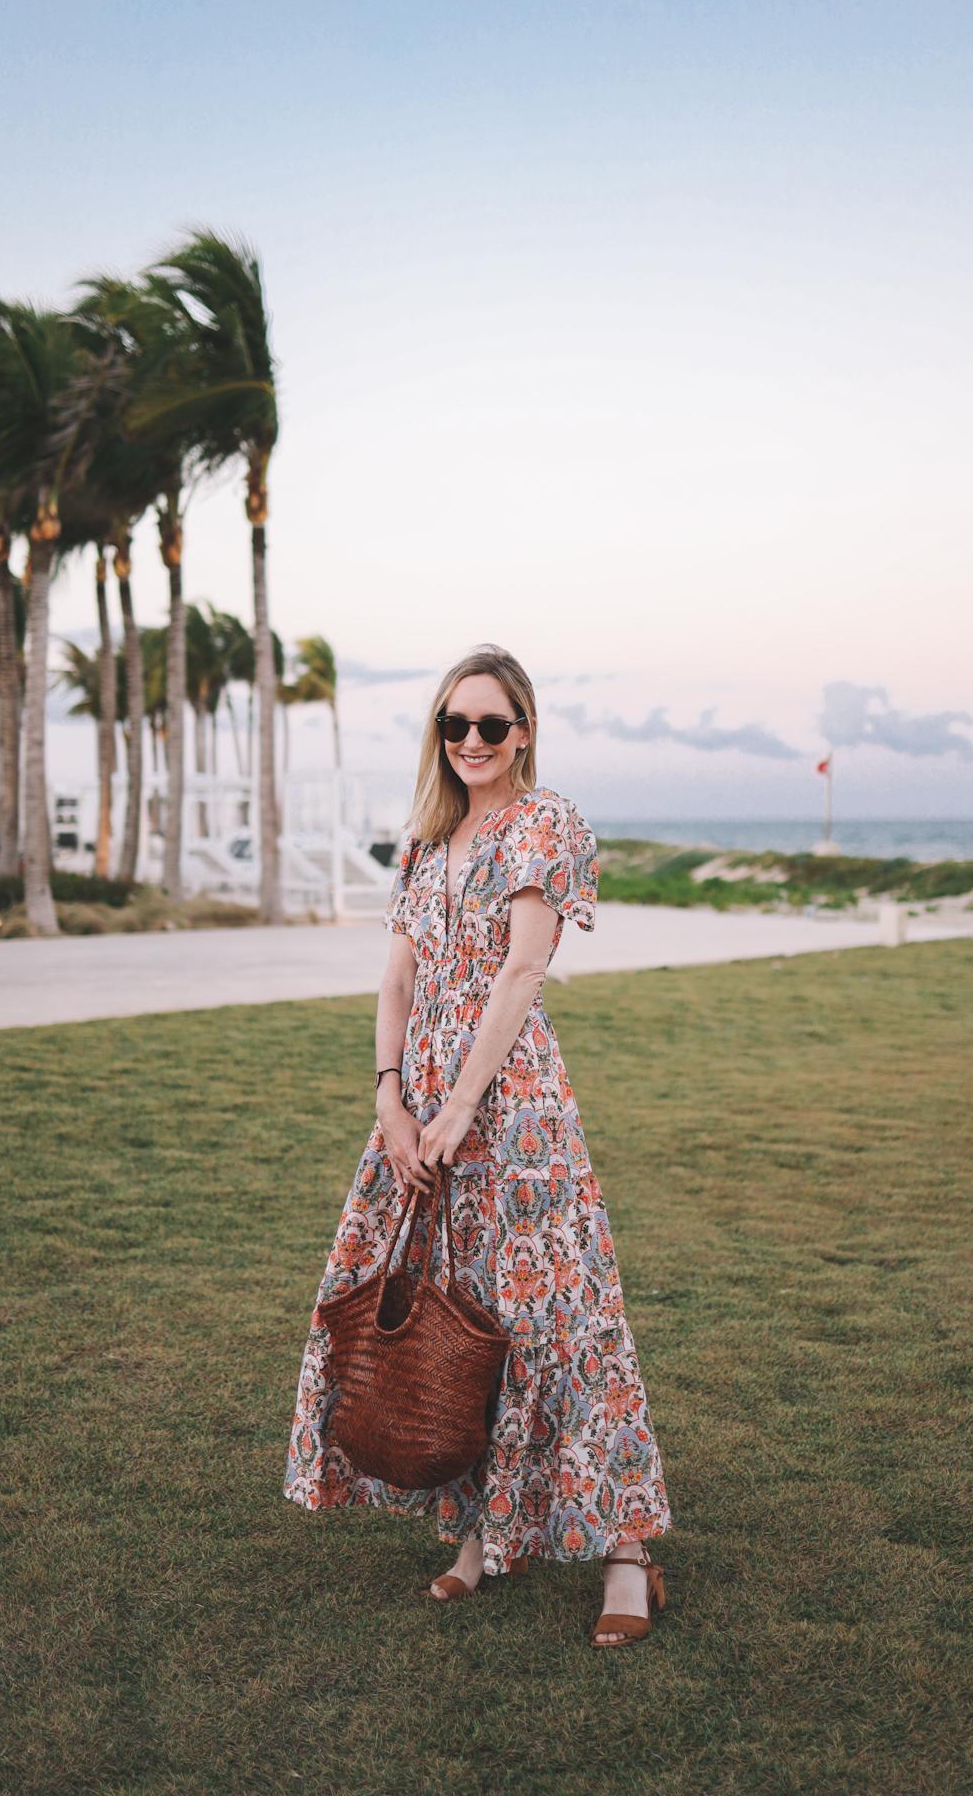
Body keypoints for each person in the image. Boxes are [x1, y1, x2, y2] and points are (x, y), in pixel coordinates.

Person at [284, 643, 672, 1647]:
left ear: (524, 731)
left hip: (516, 1115)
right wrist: (391, 1101)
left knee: (562, 1317)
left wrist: (462, 1104)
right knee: (457, 1315)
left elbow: (522, 971)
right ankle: (477, 1534)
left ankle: (628, 1552)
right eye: (454, 724)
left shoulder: (543, 824)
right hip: (417, 1109)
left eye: (490, 725)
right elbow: (395, 984)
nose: (470, 742)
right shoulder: (422, 846)